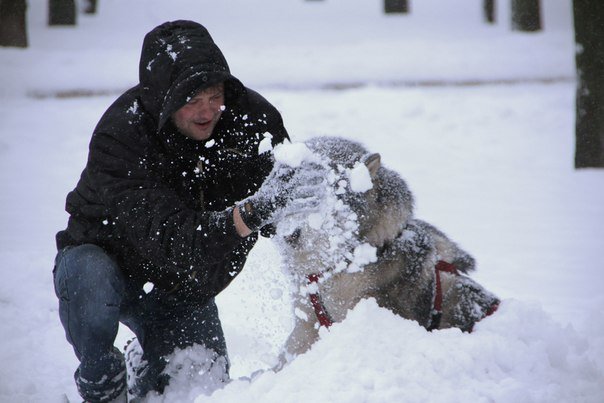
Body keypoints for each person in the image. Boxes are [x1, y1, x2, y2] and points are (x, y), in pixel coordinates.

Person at [53, 20, 325, 403]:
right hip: (108, 265)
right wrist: (253, 211)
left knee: (197, 391)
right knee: (91, 286)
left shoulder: (251, 120)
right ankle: (104, 382)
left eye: (214, 95)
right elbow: (176, 240)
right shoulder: (122, 136)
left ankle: (148, 360)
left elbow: (285, 212)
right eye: (191, 99)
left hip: (185, 287)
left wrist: (310, 204)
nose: (207, 110)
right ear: (163, 97)